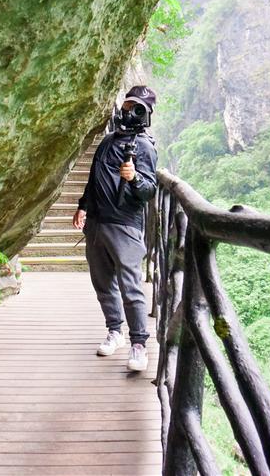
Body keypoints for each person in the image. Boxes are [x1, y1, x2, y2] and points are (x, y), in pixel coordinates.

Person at [73, 85, 158, 372]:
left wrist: (134, 178)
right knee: (103, 283)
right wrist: (83, 205)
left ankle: (139, 345)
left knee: (131, 287)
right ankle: (115, 331)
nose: (130, 112)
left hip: (125, 225)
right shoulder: (108, 141)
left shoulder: (144, 147)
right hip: (97, 223)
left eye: (137, 108)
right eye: (127, 106)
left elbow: (149, 192)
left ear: (146, 114)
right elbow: (93, 177)